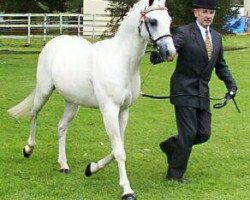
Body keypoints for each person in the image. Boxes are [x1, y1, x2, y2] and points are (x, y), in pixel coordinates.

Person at [157, 0, 238, 183]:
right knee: (188, 134)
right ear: (196, 13)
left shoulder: (216, 37)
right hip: (183, 90)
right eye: (204, 12)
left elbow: (220, 65)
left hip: (202, 92)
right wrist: (160, 55)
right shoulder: (184, 33)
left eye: (211, 12)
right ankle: (174, 175)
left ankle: (171, 146)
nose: (208, 15)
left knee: (203, 133)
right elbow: (171, 49)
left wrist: (231, 86)